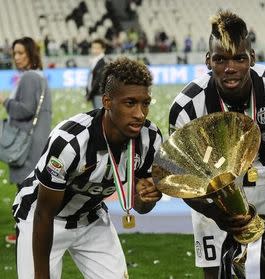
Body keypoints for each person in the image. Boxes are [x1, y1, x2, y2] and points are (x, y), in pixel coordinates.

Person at [169, 10, 265, 279]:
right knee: (216, 274)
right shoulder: (187, 106)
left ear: (252, 57)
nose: (230, 68)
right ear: (208, 60)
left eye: (239, 58)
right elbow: (184, 178)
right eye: (220, 59)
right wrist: (216, 214)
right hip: (212, 195)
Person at [12, 57, 163, 279]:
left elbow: (140, 206)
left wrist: (148, 197)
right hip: (42, 218)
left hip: (91, 217)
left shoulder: (150, 138)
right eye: (130, 103)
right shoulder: (70, 141)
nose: (140, 114)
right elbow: (44, 213)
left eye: (145, 103)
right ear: (107, 102)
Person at [0, 36, 52, 245]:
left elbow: (25, 110)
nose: (17, 57)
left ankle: (24, 235)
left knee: (26, 193)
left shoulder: (30, 77)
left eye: (21, 52)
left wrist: (6, 101)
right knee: (31, 193)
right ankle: (26, 233)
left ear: (31, 53)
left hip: (27, 145)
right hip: (35, 143)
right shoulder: (37, 76)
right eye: (15, 53)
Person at [86, 38, 107, 109]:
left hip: (98, 94)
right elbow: (91, 78)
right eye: (93, 48)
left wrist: (90, 95)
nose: (95, 50)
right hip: (94, 94)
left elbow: (98, 81)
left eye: (97, 48)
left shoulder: (103, 62)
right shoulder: (94, 61)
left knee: (99, 116)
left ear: (103, 49)